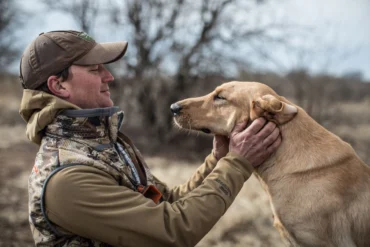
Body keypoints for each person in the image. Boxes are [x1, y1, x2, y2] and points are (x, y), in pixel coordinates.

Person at [19, 30, 282, 247]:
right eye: (94, 69)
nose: (108, 76)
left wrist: (218, 159)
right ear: (58, 85)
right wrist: (237, 163)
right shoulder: (68, 178)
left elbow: (167, 202)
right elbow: (174, 230)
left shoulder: (102, 146)